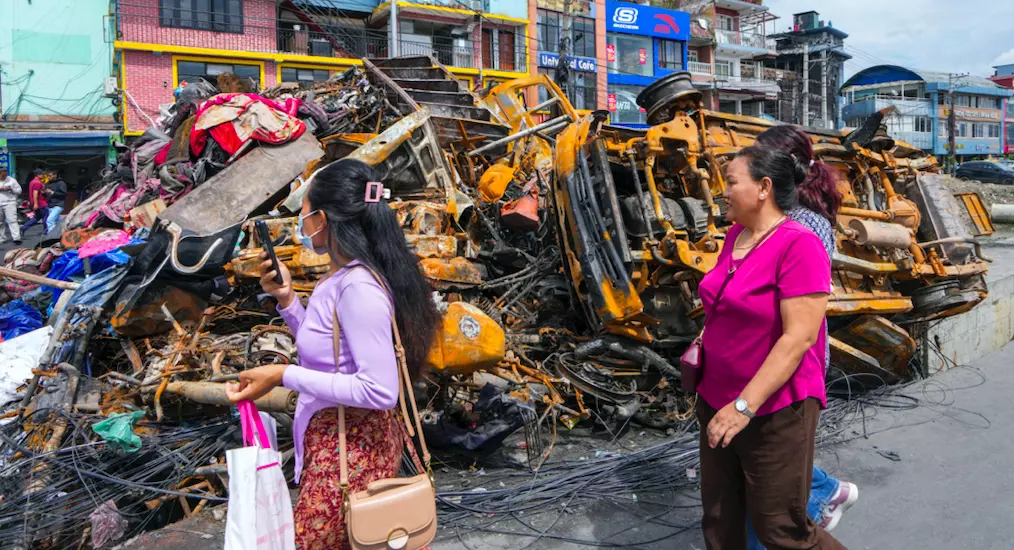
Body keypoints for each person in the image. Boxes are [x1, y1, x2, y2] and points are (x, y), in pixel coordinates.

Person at [225, 158, 439, 549]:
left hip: (348, 454)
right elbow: (325, 352)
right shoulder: (341, 278)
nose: (300, 224)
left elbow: (379, 390)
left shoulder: (358, 287)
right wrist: (287, 300)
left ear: (322, 219)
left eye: (303, 214)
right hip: (339, 444)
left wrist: (282, 375)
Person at [695, 145, 846, 550]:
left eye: (730, 182)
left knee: (781, 529)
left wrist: (744, 406)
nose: (721, 191)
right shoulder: (735, 236)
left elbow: (798, 338)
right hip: (715, 397)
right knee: (720, 520)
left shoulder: (799, 245)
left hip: (775, 406)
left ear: (763, 188)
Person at [752, 125, 858, 540]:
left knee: (774, 452)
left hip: (796, 355)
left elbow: (800, 318)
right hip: (769, 352)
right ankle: (825, 491)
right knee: (769, 448)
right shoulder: (767, 221)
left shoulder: (806, 226)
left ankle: (818, 497)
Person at [20, 169, 49, 236]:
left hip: (37, 202)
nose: (43, 175)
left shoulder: (33, 182)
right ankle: (46, 231)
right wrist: (36, 204)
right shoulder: (37, 183)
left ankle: (23, 228)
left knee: (37, 218)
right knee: (46, 217)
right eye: (42, 174)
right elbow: (35, 193)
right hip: (41, 203)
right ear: (37, 175)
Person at [0, 168, 22, 245]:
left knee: (12, 220)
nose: (4, 177)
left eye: (5, 175)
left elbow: (19, 191)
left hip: (9, 202)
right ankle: (1, 238)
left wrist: (11, 188)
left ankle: (16, 238)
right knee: (0, 222)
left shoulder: (12, 180)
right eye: (2, 175)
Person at [43, 170, 67, 236]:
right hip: (50, 204)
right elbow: (46, 194)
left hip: (58, 204)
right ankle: (61, 234)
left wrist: (53, 192)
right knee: (57, 221)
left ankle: (52, 236)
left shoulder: (61, 183)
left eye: (50, 176)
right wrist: (43, 193)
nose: (48, 177)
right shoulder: (47, 184)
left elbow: (64, 194)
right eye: (47, 176)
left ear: (55, 175)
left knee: (50, 220)